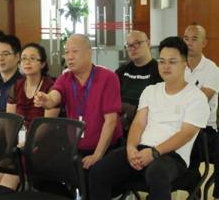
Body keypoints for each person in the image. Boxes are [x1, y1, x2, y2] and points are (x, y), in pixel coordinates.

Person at [89, 36, 209, 199]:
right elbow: (138, 123)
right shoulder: (150, 91)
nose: (166, 66)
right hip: (141, 150)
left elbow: (185, 134)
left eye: (172, 62)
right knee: (99, 170)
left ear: (185, 63)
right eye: (162, 61)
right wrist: (131, 148)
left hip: (173, 157)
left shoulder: (196, 97)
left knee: (157, 173)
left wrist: (154, 153)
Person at [35, 34, 123, 170]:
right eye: (66, 52)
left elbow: (111, 121)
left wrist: (97, 155)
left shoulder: (108, 77)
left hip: (106, 149)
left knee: (95, 174)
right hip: (75, 148)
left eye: (75, 51)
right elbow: (54, 97)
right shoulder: (65, 78)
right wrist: (46, 99)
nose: (69, 57)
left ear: (89, 53)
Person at [0, 42, 59, 190]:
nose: (27, 62)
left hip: (40, 145)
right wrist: (12, 146)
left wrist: (25, 145)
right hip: (18, 142)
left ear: (42, 64)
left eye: (33, 58)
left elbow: (47, 126)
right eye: (24, 58)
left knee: (10, 177)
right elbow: (10, 121)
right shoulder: (17, 86)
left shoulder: (50, 88)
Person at [183, 23, 219, 198]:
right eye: (186, 39)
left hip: (204, 130)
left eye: (194, 39)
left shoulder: (212, 69)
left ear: (204, 43)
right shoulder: (177, 66)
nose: (189, 43)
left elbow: (200, 102)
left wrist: (178, 102)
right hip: (178, 125)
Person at [116, 30, 162, 108]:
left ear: (148, 44)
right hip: (123, 113)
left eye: (137, 43)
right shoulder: (121, 71)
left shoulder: (160, 70)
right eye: (129, 45)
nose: (132, 48)